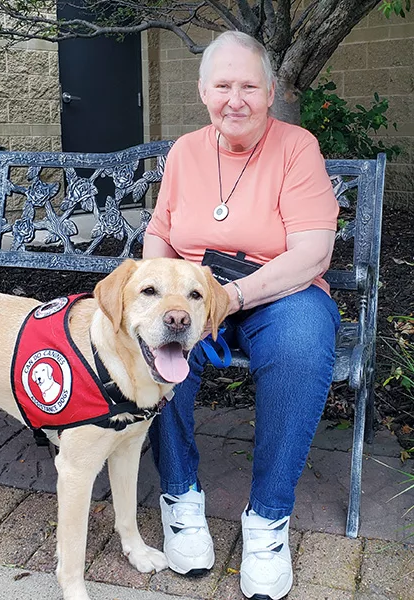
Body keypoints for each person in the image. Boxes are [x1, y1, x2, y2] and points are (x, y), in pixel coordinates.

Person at [143, 30, 341, 600]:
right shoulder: (185, 152)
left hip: (280, 288)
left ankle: (268, 522)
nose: (236, 98)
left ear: (271, 90)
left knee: (303, 344)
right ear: (203, 90)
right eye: (223, 85)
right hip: (195, 287)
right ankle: (180, 498)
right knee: (154, 342)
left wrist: (234, 297)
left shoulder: (296, 147)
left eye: (249, 85)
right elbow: (159, 234)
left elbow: (312, 253)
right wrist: (155, 293)